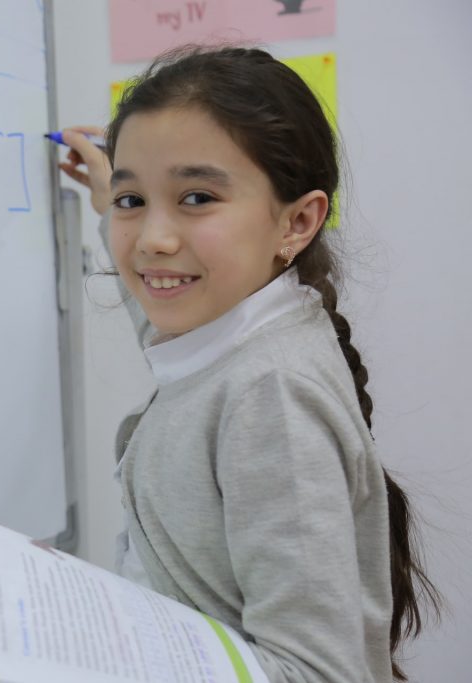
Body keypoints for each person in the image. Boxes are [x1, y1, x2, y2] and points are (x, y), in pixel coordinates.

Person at [59, 45, 438, 682]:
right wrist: (108, 199)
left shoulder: (270, 396)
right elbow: (157, 299)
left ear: (297, 221)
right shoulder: (239, 332)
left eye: (197, 197)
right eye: (134, 202)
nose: (153, 238)